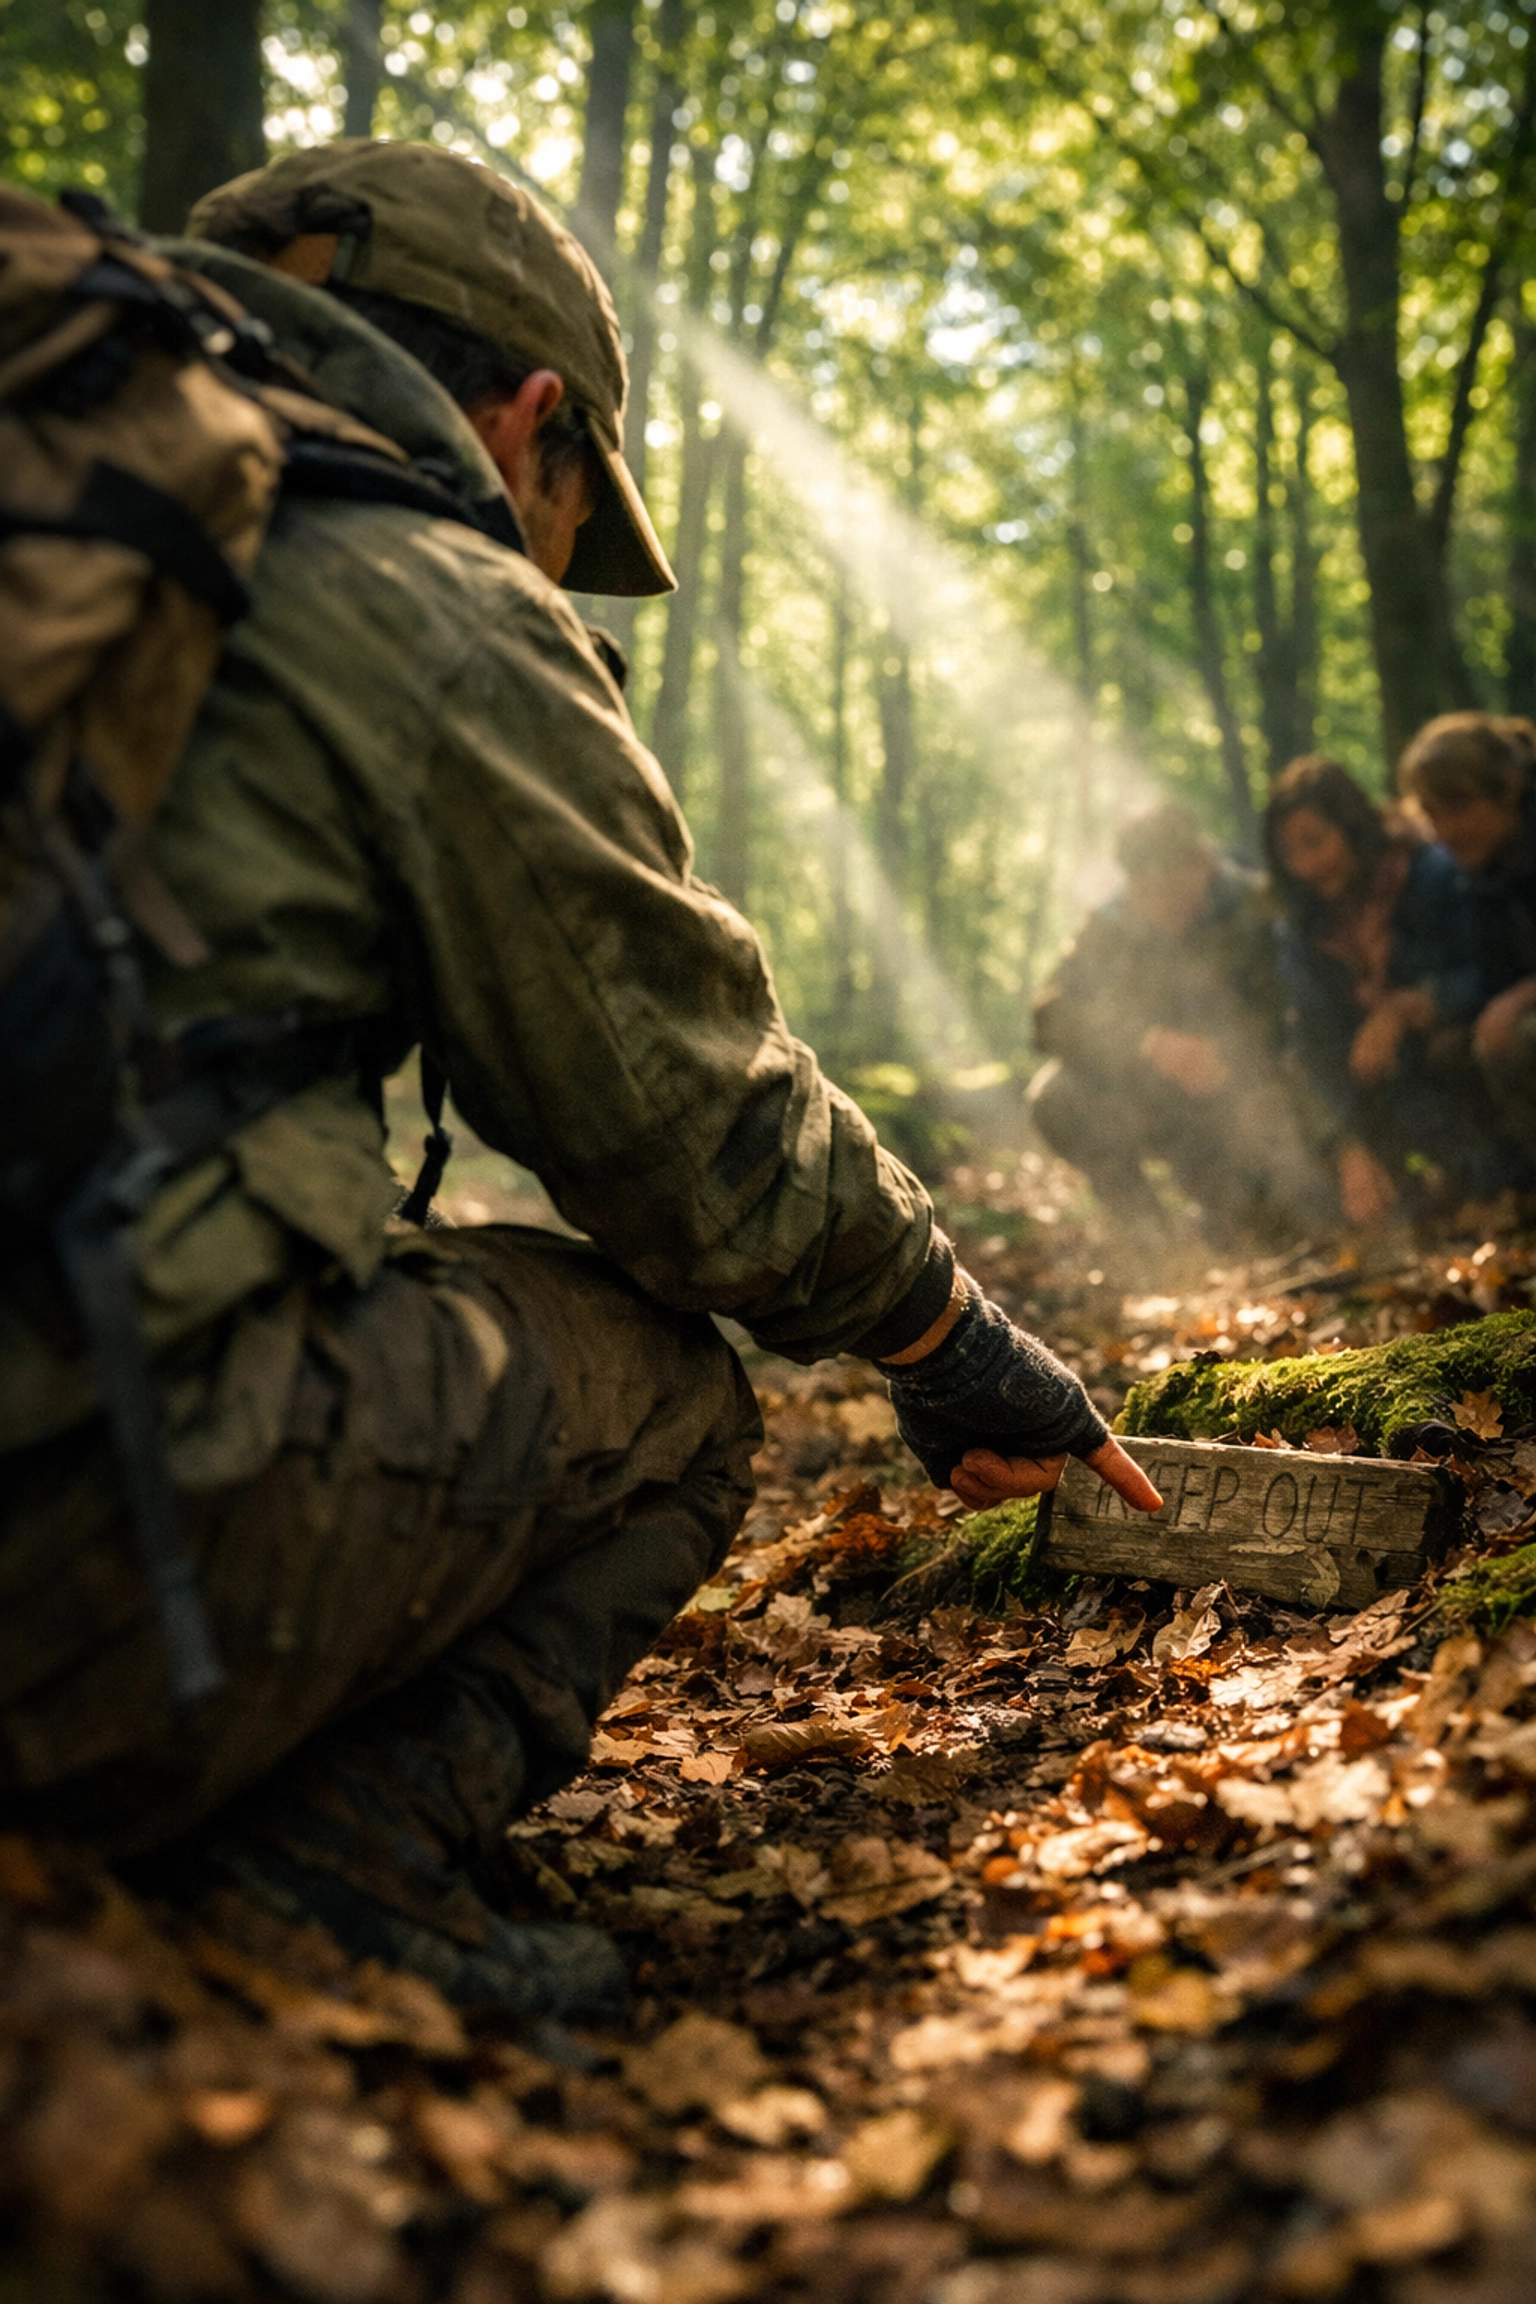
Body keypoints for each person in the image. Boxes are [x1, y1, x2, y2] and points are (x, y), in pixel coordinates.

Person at [0, 143, 1158, 2023]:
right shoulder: (406, 582)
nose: (553, 552)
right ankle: (330, 1861)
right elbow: (690, 1139)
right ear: (533, 417)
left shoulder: (73, 507)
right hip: (59, 1577)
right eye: (570, 507)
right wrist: (951, 1338)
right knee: (670, 1395)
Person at [1028, 799, 1331, 1249]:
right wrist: (1146, 1043)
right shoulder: (1110, 926)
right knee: (1056, 1097)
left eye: (1174, 883)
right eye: (1148, 890)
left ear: (1200, 862)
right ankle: (1150, 1242)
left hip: (1253, 1098)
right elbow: (1050, 1015)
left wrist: (1232, 1058)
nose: (1163, 903)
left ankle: (1248, 1211)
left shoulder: (1255, 907)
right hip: (1154, 1095)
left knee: (1290, 1223)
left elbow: (1301, 1014)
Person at [1263, 755, 1505, 1222]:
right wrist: (1346, 1146)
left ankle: (1498, 1184)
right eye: (1290, 853)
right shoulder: (1304, 930)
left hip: (1455, 1052)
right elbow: (1313, 1044)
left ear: (1351, 827)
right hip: (1381, 1088)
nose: (1306, 865)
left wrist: (1407, 1009)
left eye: (1315, 842)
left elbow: (1488, 968)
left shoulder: (1429, 874)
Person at [1391, 712, 1536, 1167]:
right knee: (1448, 1049)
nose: (1446, 830)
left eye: (1458, 808)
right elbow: (1490, 971)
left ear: (1508, 788)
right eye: (1432, 813)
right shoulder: (1477, 871)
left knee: (1520, 1039)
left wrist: (1517, 999)